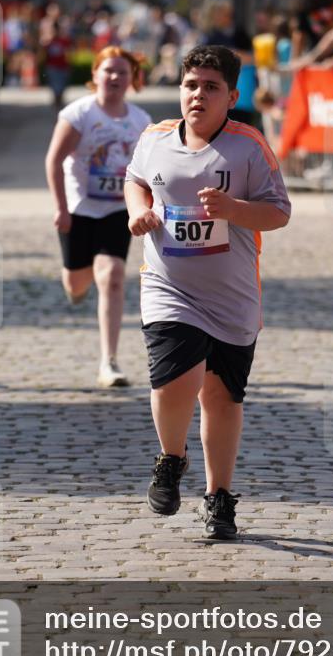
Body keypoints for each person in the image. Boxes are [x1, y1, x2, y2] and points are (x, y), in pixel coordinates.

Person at [124, 45, 291, 540]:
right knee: (173, 382)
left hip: (233, 294)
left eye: (211, 87)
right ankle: (171, 459)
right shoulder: (154, 138)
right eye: (190, 85)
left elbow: (279, 211)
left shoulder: (247, 146)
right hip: (167, 285)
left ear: (232, 95)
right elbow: (135, 181)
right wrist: (139, 211)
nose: (198, 95)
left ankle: (219, 497)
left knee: (220, 396)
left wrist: (233, 209)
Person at [45, 46, 151, 388]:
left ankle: (109, 360)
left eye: (123, 72)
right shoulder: (79, 114)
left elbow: (149, 171)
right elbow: (53, 161)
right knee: (76, 283)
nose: (116, 77)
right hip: (79, 209)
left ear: (132, 79)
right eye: (109, 71)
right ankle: (81, 278)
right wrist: (60, 207)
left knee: (113, 274)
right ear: (95, 76)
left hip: (118, 209)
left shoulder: (140, 121)